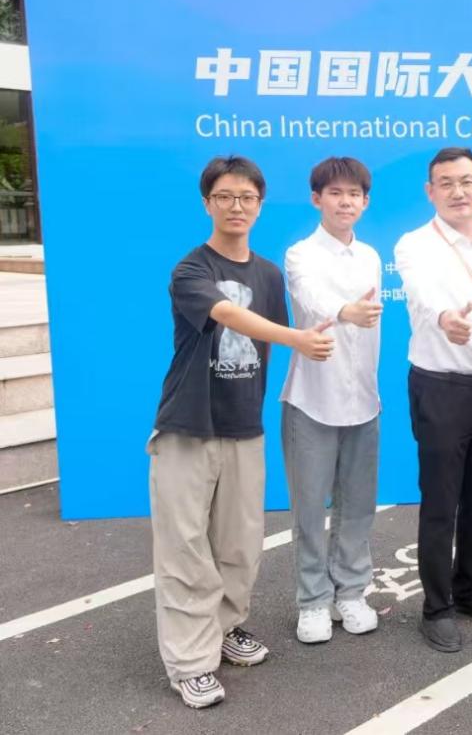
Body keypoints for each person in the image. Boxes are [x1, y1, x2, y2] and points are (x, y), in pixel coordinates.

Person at [148, 156, 335, 709]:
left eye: (247, 197)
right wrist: (297, 339)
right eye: (225, 196)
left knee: (239, 544)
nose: (236, 206)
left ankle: (225, 628)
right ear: (207, 203)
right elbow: (231, 316)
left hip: (243, 425)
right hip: (187, 425)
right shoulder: (191, 269)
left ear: (259, 204)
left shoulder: (269, 275)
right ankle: (191, 663)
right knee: (185, 548)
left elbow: (268, 341)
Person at [394, 147, 472, 653]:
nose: (457, 192)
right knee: (442, 500)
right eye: (446, 183)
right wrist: (446, 317)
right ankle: (436, 607)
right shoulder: (414, 244)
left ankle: (469, 588)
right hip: (441, 386)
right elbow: (422, 294)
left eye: (466, 181)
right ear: (431, 192)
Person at [280, 157, 383, 644]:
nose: (346, 202)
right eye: (335, 193)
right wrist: (345, 311)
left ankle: (351, 592)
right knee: (309, 509)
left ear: (365, 201)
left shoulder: (370, 257)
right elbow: (310, 297)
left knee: (358, 506)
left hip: (363, 398)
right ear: (316, 198)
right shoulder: (300, 254)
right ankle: (313, 601)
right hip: (312, 399)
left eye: (354, 194)